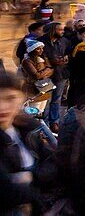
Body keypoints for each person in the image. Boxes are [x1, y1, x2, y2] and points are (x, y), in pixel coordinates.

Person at [0, 69, 55, 214]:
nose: (2, 107)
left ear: (21, 99)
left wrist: (32, 176)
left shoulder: (29, 130)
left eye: (10, 98)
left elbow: (55, 163)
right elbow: (8, 192)